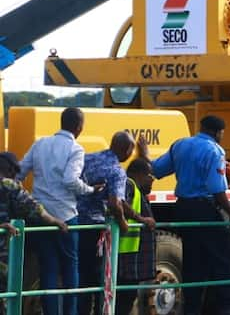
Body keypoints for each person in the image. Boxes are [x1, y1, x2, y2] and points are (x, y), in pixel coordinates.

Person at [150, 115, 230, 315]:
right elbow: (216, 189)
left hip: (183, 209)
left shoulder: (180, 145)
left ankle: (192, 309)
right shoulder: (215, 151)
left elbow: (157, 169)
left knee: (193, 262)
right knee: (223, 259)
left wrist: (144, 153)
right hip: (204, 209)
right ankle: (225, 308)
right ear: (218, 132)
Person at [19, 107, 99, 315]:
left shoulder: (40, 144)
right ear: (79, 127)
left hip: (41, 214)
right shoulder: (76, 149)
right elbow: (71, 180)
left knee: (48, 269)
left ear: (61, 122)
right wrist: (90, 190)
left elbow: (19, 171)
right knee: (71, 267)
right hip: (66, 216)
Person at [77, 131, 135, 315]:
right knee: (98, 276)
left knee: (81, 277)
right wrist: (123, 223)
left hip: (75, 221)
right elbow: (114, 203)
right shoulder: (116, 171)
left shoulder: (88, 158)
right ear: (127, 149)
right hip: (94, 228)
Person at [0, 151, 69, 293]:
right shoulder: (8, 185)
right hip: (3, 251)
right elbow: (34, 207)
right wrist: (55, 220)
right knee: (7, 292)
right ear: (9, 170)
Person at [115, 157, 157, 315]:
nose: (152, 181)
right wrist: (142, 219)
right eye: (150, 177)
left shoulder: (137, 190)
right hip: (125, 257)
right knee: (123, 300)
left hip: (129, 257)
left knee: (126, 299)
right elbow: (119, 201)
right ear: (139, 174)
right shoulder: (128, 184)